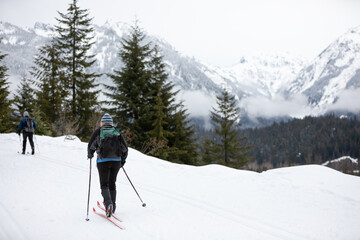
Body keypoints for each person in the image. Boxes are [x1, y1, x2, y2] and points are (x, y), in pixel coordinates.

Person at [87, 113, 128, 218]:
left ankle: (108, 203)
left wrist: (90, 154)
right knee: (112, 184)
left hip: (102, 161)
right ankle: (113, 207)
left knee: (104, 185)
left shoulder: (99, 132)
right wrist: (122, 161)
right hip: (116, 162)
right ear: (111, 123)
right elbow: (125, 149)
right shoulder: (117, 133)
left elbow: (91, 145)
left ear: (102, 123)